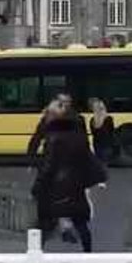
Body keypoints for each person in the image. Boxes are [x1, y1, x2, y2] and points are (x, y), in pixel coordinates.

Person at [31, 100, 106, 252]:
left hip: (56, 187)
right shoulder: (77, 138)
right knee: (80, 222)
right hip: (75, 186)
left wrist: (37, 188)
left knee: (45, 224)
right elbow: (89, 157)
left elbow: (48, 167)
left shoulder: (54, 141)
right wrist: (98, 177)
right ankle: (88, 253)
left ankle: (36, 255)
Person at [88, 97, 117, 165]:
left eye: (102, 108)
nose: (102, 110)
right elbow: (95, 131)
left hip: (106, 146)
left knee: (103, 164)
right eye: (99, 108)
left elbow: (110, 132)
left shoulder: (109, 119)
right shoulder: (93, 120)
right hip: (99, 146)